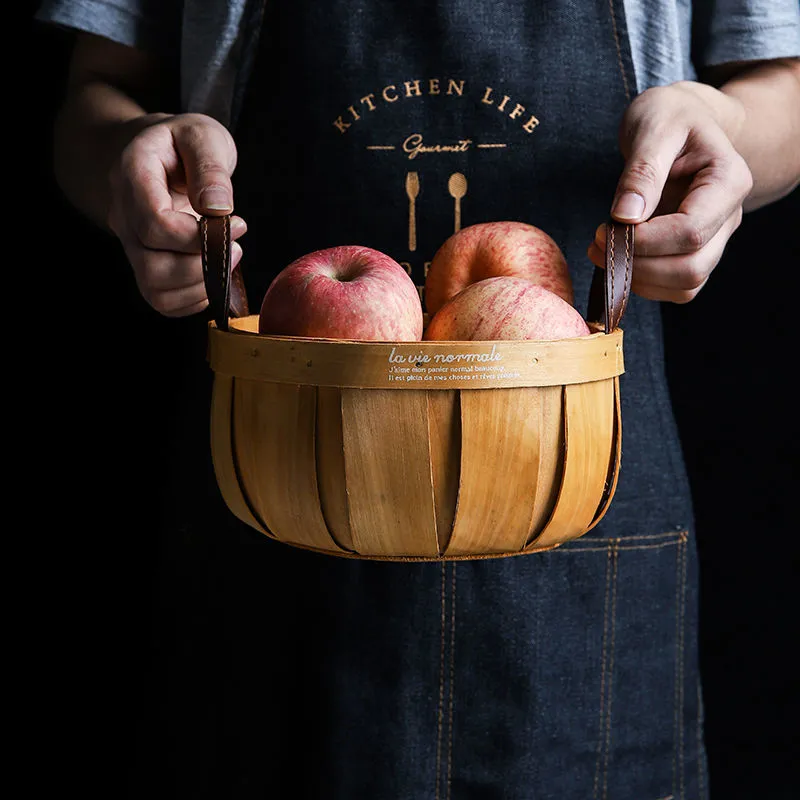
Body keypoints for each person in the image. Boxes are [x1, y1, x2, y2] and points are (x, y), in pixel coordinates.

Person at [34, 0, 800, 797]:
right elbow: (97, 93)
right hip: (285, 497)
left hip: (576, 505)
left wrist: (726, 130)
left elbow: (785, 88)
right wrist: (128, 164)